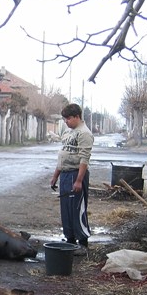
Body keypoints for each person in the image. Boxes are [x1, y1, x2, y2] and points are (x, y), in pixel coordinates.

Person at [50, 103, 94, 256]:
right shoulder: (69, 132)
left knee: (77, 208)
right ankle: (70, 240)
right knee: (66, 209)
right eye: (64, 119)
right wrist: (56, 175)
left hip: (77, 174)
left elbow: (84, 158)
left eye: (68, 118)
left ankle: (82, 242)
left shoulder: (84, 133)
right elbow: (63, 154)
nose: (66, 121)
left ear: (77, 117)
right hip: (65, 174)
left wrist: (79, 180)